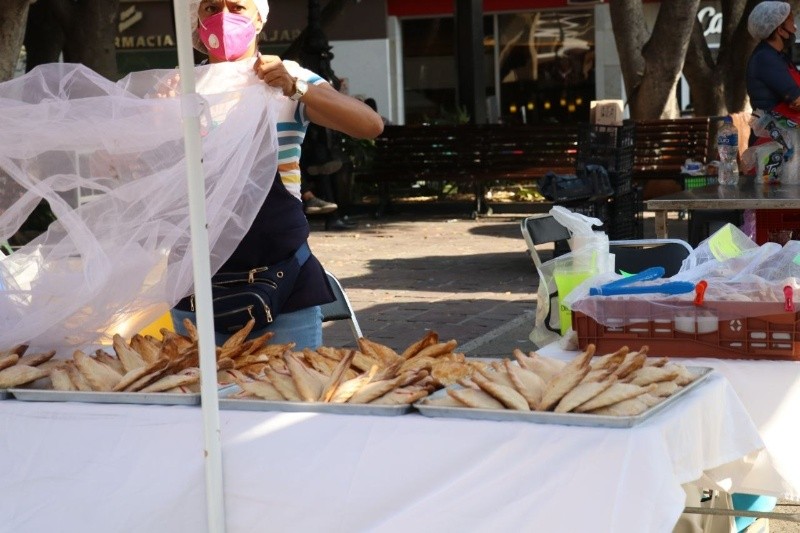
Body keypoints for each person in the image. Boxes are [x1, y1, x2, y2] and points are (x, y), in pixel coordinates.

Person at [172, 0, 383, 349]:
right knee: (200, 398)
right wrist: (157, 115)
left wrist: (297, 88)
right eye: (211, 7)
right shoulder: (179, 87)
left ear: (258, 19)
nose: (224, 17)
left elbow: (369, 125)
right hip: (195, 290)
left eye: (237, 6)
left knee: (290, 397)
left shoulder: (289, 77)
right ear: (197, 20)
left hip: (283, 285)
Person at [746, 1, 800, 153]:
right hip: (772, 143)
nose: (795, 28)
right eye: (791, 22)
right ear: (780, 30)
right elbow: (796, 99)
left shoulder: (778, 57)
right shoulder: (765, 58)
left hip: (787, 137)